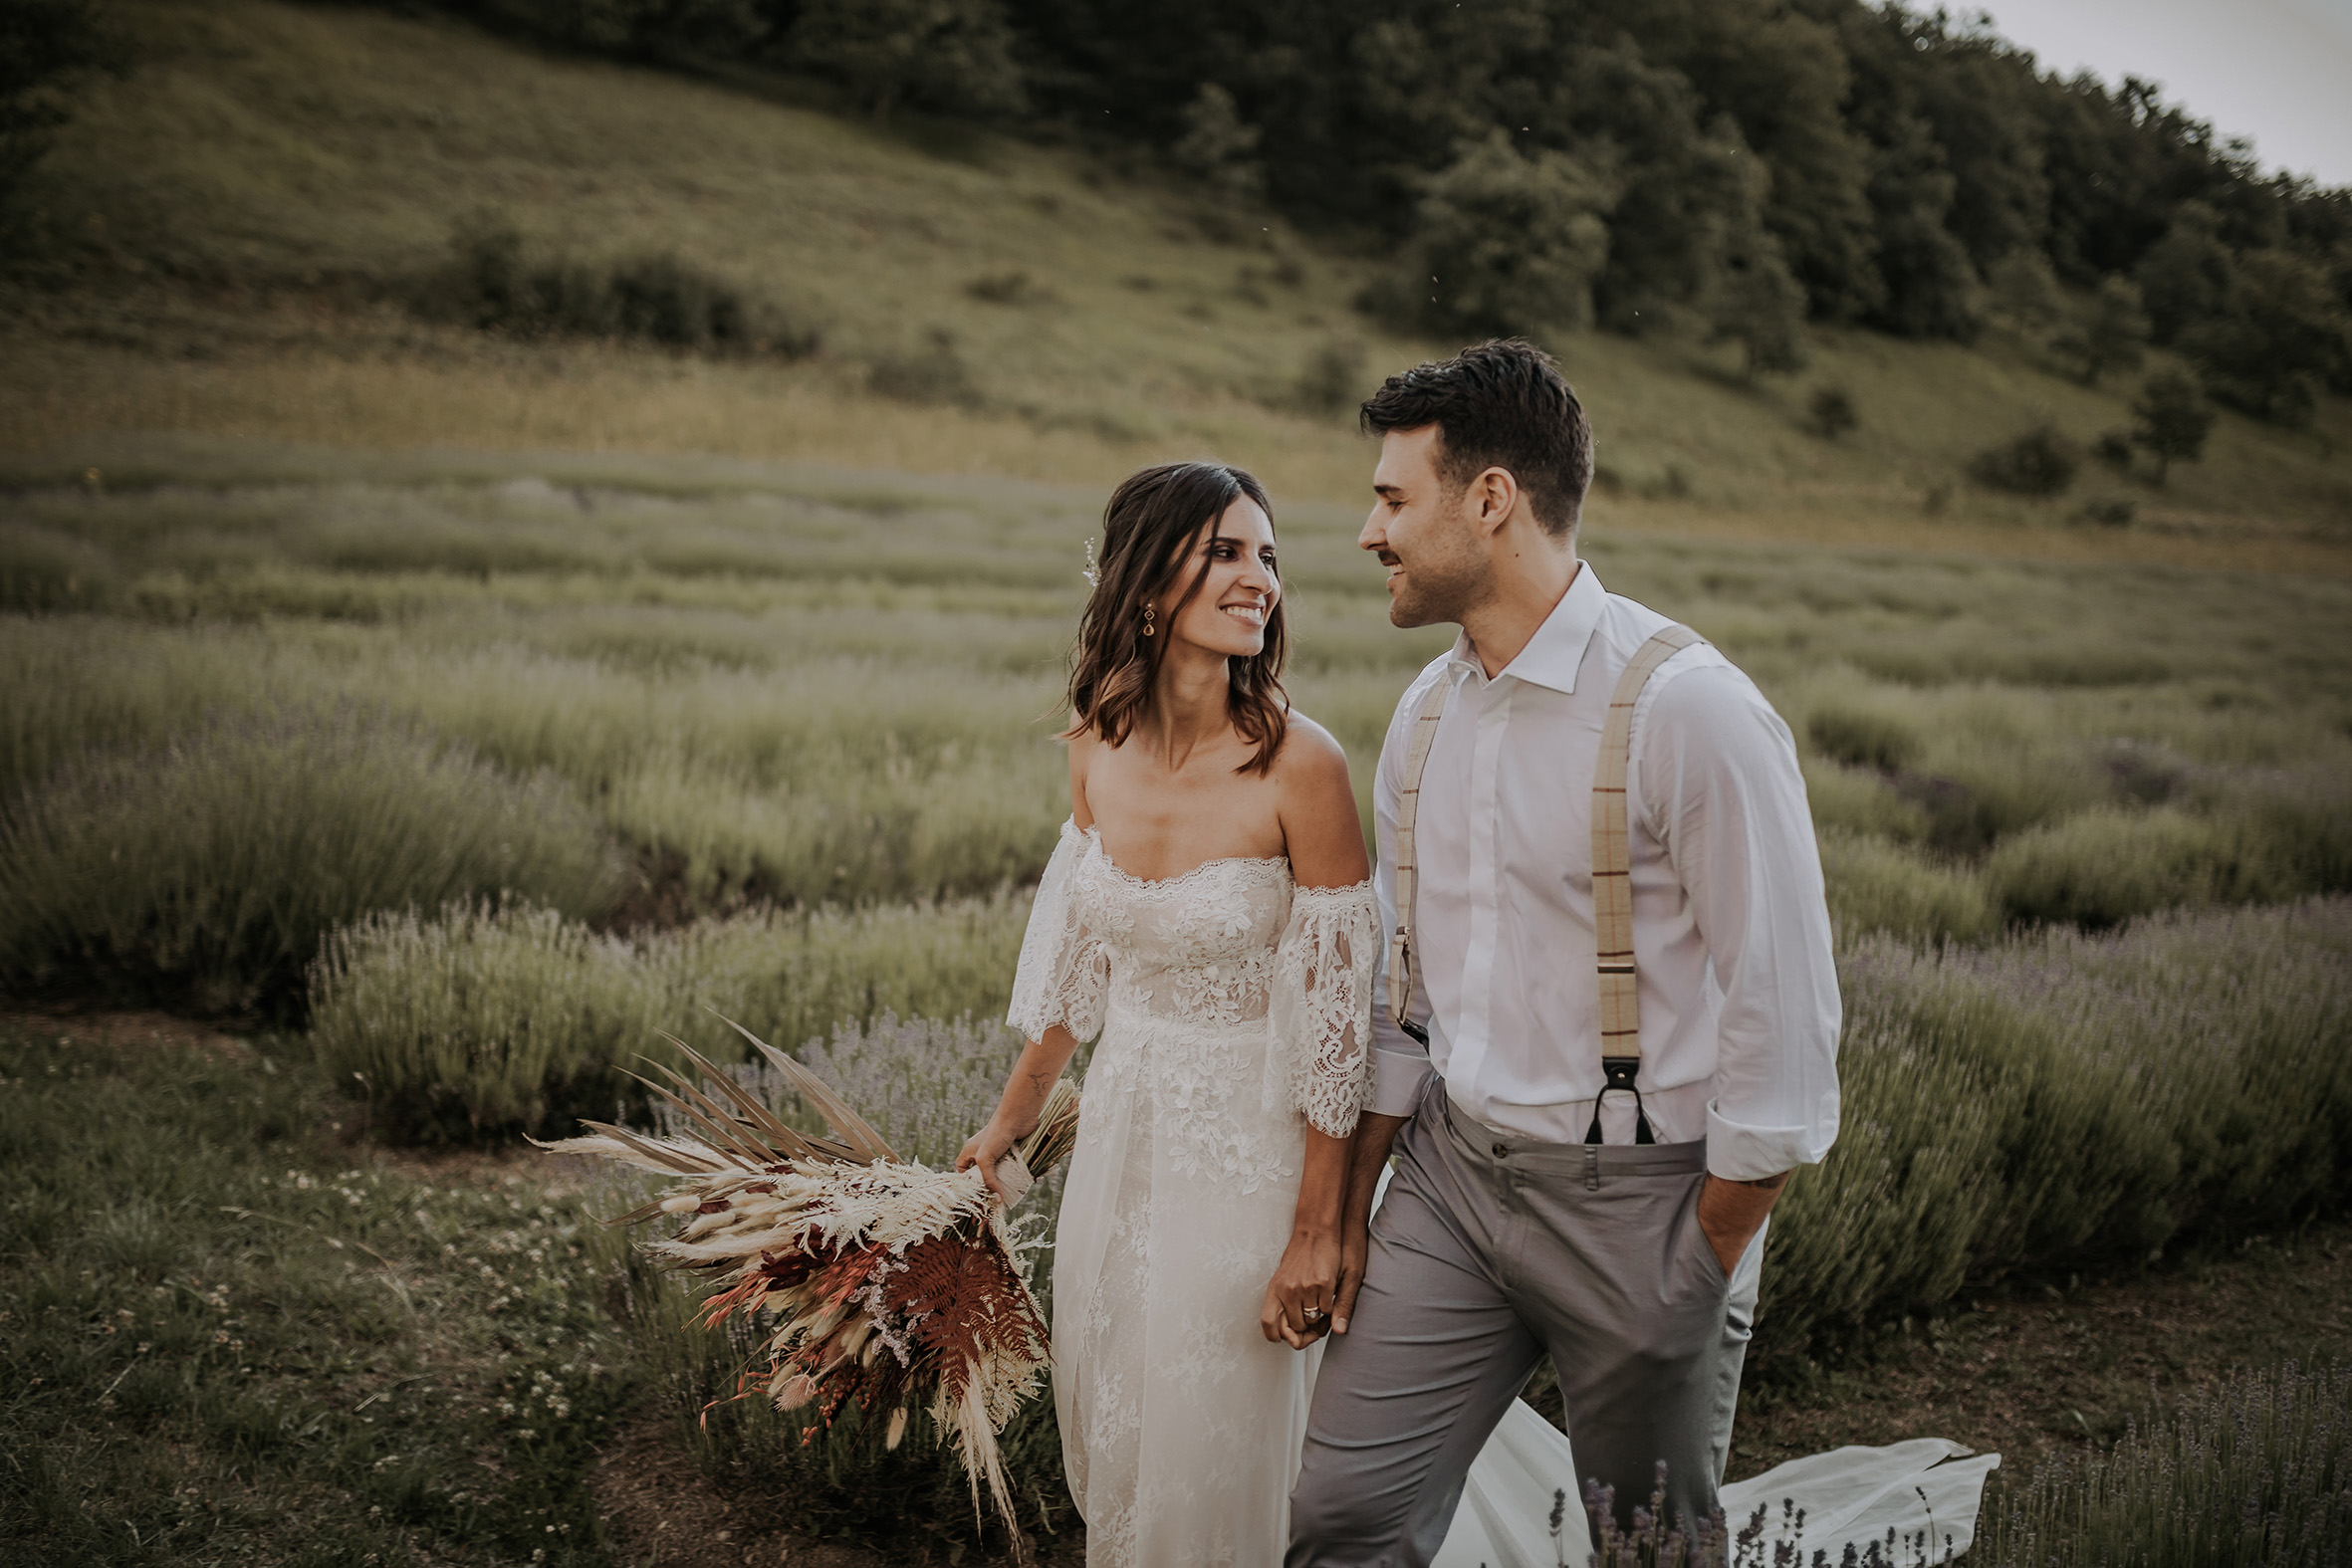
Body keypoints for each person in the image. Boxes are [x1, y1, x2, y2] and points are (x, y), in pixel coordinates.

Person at [1288, 338, 1845, 1565]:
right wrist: (1347, 1209)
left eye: (1391, 498)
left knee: (1644, 1549)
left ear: (1489, 501)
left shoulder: (1687, 707)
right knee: (1341, 1517)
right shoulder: (1423, 716)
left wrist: (1700, 1258)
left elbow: (1785, 1013)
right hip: (1451, 1186)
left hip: (1643, 1208)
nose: (1367, 532)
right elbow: (1402, 1001)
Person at [958, 461, 1382, 1568]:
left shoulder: (1304, 767)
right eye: (1227, 553)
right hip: (1122, 1141)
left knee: (1221, 1438)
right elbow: (1075, 970)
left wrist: (1316, 1230)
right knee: (1124, 1406)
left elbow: (1343, 1033)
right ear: (1148, 587)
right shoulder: (1094, 745)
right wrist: (1008, 1129)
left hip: (1255, 1152)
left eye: (1269, 556)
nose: (1261, 580)